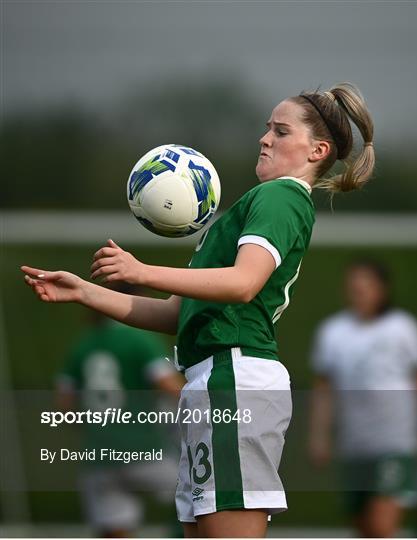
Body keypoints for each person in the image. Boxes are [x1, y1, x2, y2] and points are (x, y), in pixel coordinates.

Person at [21, 82, 375, 538]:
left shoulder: (280, 196)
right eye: (267, 128)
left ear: (317, 149)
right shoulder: (255, 204)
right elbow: (175, 315)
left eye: (281, 131)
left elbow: (244, 284)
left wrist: (141, 269)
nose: (266, 138)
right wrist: (87, 292)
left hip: (234, 379)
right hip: (210, 381)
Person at [309, 261, 417, 537]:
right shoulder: (333, 332)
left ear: (382, 289)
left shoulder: (403, 328)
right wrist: (319, 437)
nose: (359, 292)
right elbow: (323, 390)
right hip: (354, 443)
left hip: (394, 441)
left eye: (366, 285)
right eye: (354, 286)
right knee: (363, 526)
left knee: (381, 525)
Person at [56, 283, 185, 538]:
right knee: (199, 491)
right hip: (145, 450)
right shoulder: (139, 339)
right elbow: (171, 388)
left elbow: (65, 405)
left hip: (100, 455)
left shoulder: (84, 344)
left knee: (114, 529)